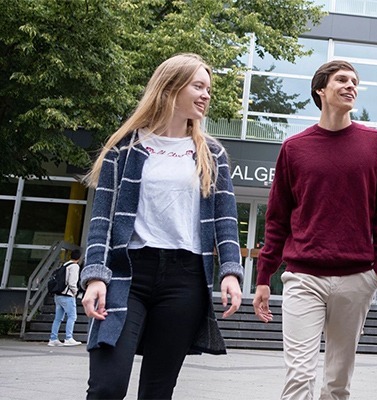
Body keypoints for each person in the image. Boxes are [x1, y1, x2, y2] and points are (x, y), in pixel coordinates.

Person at [80, 53, 243, 399]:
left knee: (157, 391)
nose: (206, 95)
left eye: (208, 88)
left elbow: (225, 220)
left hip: (184, 280)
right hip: (128, 276)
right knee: (107, 386)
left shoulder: (211, 154)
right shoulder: (124, 147)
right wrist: (95, 275)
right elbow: (101, 219)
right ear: (170, 87)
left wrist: (230, 271)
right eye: (198, 86)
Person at [253, 60, 377, 400]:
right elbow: (277, 217)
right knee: (299, 375)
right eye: (342, 80)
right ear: (320, 89)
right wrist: (264, 276)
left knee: (337, 382)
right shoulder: (294, 148)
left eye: (355, 82)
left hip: (357, 277)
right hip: (303, 276)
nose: (351, 86)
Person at [48, 248, 83, 347]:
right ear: (79, 258)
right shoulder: (74, 266)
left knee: (58, 318)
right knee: (72, 316)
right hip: (67, 296)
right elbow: (72, 283)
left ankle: (53, 339)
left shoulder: (65, 264)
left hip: (58, 295)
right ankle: (68, 338)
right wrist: (75, 292)